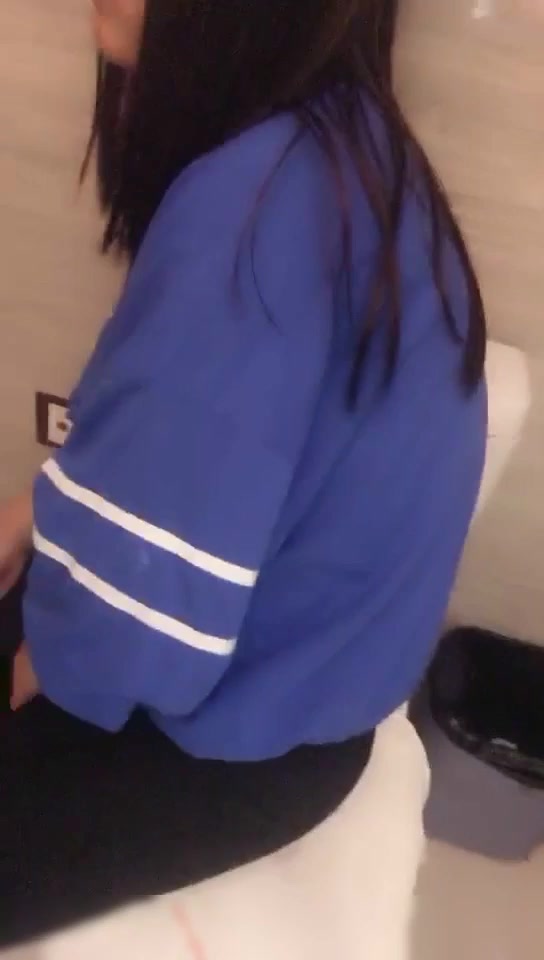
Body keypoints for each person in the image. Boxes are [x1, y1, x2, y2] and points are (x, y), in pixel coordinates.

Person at [0, 0, 487, 946]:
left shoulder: (249, 220)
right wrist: (40, 509)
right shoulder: (338, 147)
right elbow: (195, 451)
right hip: (299, 673)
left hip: (238, 732)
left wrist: (49, 665)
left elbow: (134, 623)